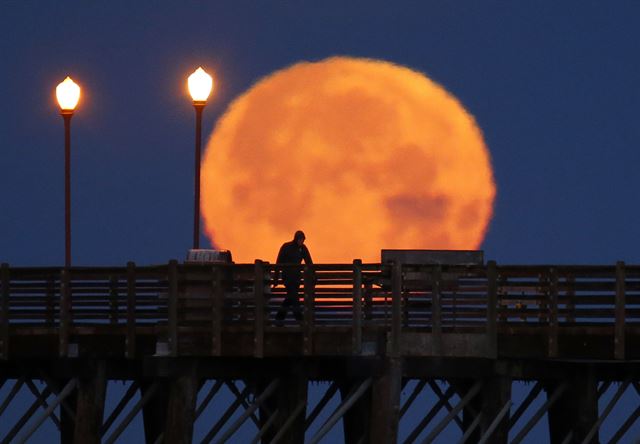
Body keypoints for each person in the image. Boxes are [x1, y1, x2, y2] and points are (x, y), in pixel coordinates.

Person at [273, 230, 313, 323]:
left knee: (290, 297)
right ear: (296, 238)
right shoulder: (286, 247)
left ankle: (279, 318)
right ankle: (300, 319)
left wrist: (314, 275)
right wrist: (275, 279)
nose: (301, 241)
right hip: (287, 277)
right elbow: (278, 262)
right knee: (294, 297)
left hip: (296, 278)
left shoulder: (303, 248)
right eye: (299, 239)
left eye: (303, 240)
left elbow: (309, 262)